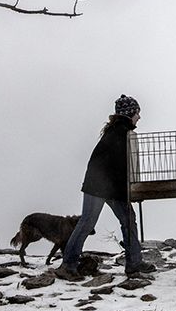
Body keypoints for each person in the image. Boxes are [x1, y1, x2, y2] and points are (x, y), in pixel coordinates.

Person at [54, 94, 156, 280]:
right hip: (100, 186)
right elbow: (122, 168)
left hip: (105, 186)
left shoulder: (118, 131)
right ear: (130, 114)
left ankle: (134, 262)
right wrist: (132, 190)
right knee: (90, 222)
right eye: (137, 113)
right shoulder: (121, 134)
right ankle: (68, 265)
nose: (139, 117)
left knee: (121, 220)